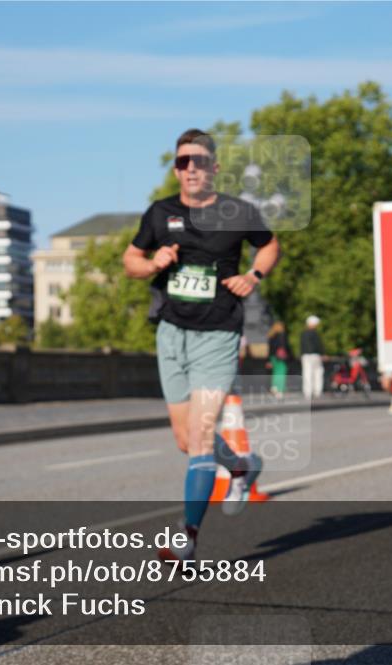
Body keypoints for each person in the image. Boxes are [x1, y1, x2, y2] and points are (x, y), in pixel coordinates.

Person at [123, 129, 279, 563]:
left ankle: (186, 538)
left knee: (201, 435)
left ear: (214, 167)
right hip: (171, 333)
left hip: (218, 334)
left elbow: (269, 246)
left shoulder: (238, 211)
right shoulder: (160, 213)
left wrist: (254, 276)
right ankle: (243, 467)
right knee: (186, 440)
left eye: (198, 160)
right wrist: (152, 262)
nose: (189, 168)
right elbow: (130, 260)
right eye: (181, 162)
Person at [300, 315, 325, 400]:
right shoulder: (315, 334)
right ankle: (317, 392)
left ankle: (307, 393)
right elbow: (318, 345)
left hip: (305, 355)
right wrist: (322, 353)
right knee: (318, 373)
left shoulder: (303, 333)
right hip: (315, 355)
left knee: (307, 373)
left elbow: (302, 346)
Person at [266, 321, 289, 397]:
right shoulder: (282, 335)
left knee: (275, 373)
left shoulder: (271, 336)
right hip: (280, 357)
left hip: (272, 357)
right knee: (281, 373)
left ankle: (274, 387)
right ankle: (280, 390)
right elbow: (284, 346)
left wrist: (268, 360)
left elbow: (269, 349)